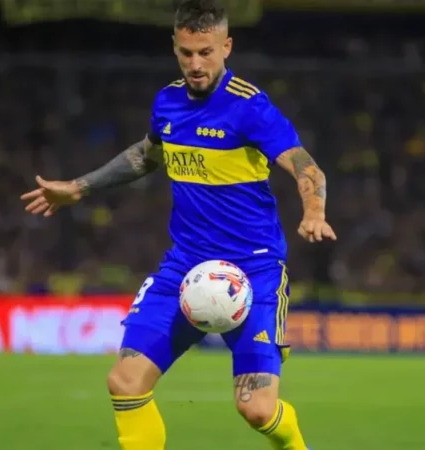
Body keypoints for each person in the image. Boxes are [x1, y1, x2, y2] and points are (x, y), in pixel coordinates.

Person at [21, 1, 334, 448]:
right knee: (125, 381)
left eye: (205, 52)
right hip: (185, 269)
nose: (195, 64)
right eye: (186, 53)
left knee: (257, 410)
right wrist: (79, 187)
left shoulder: (250, 107)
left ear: (226, 47)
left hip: (254, 272)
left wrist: (314, 212)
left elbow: (306, 166)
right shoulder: (168, 101)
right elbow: (146, 155)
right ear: (174, 47)